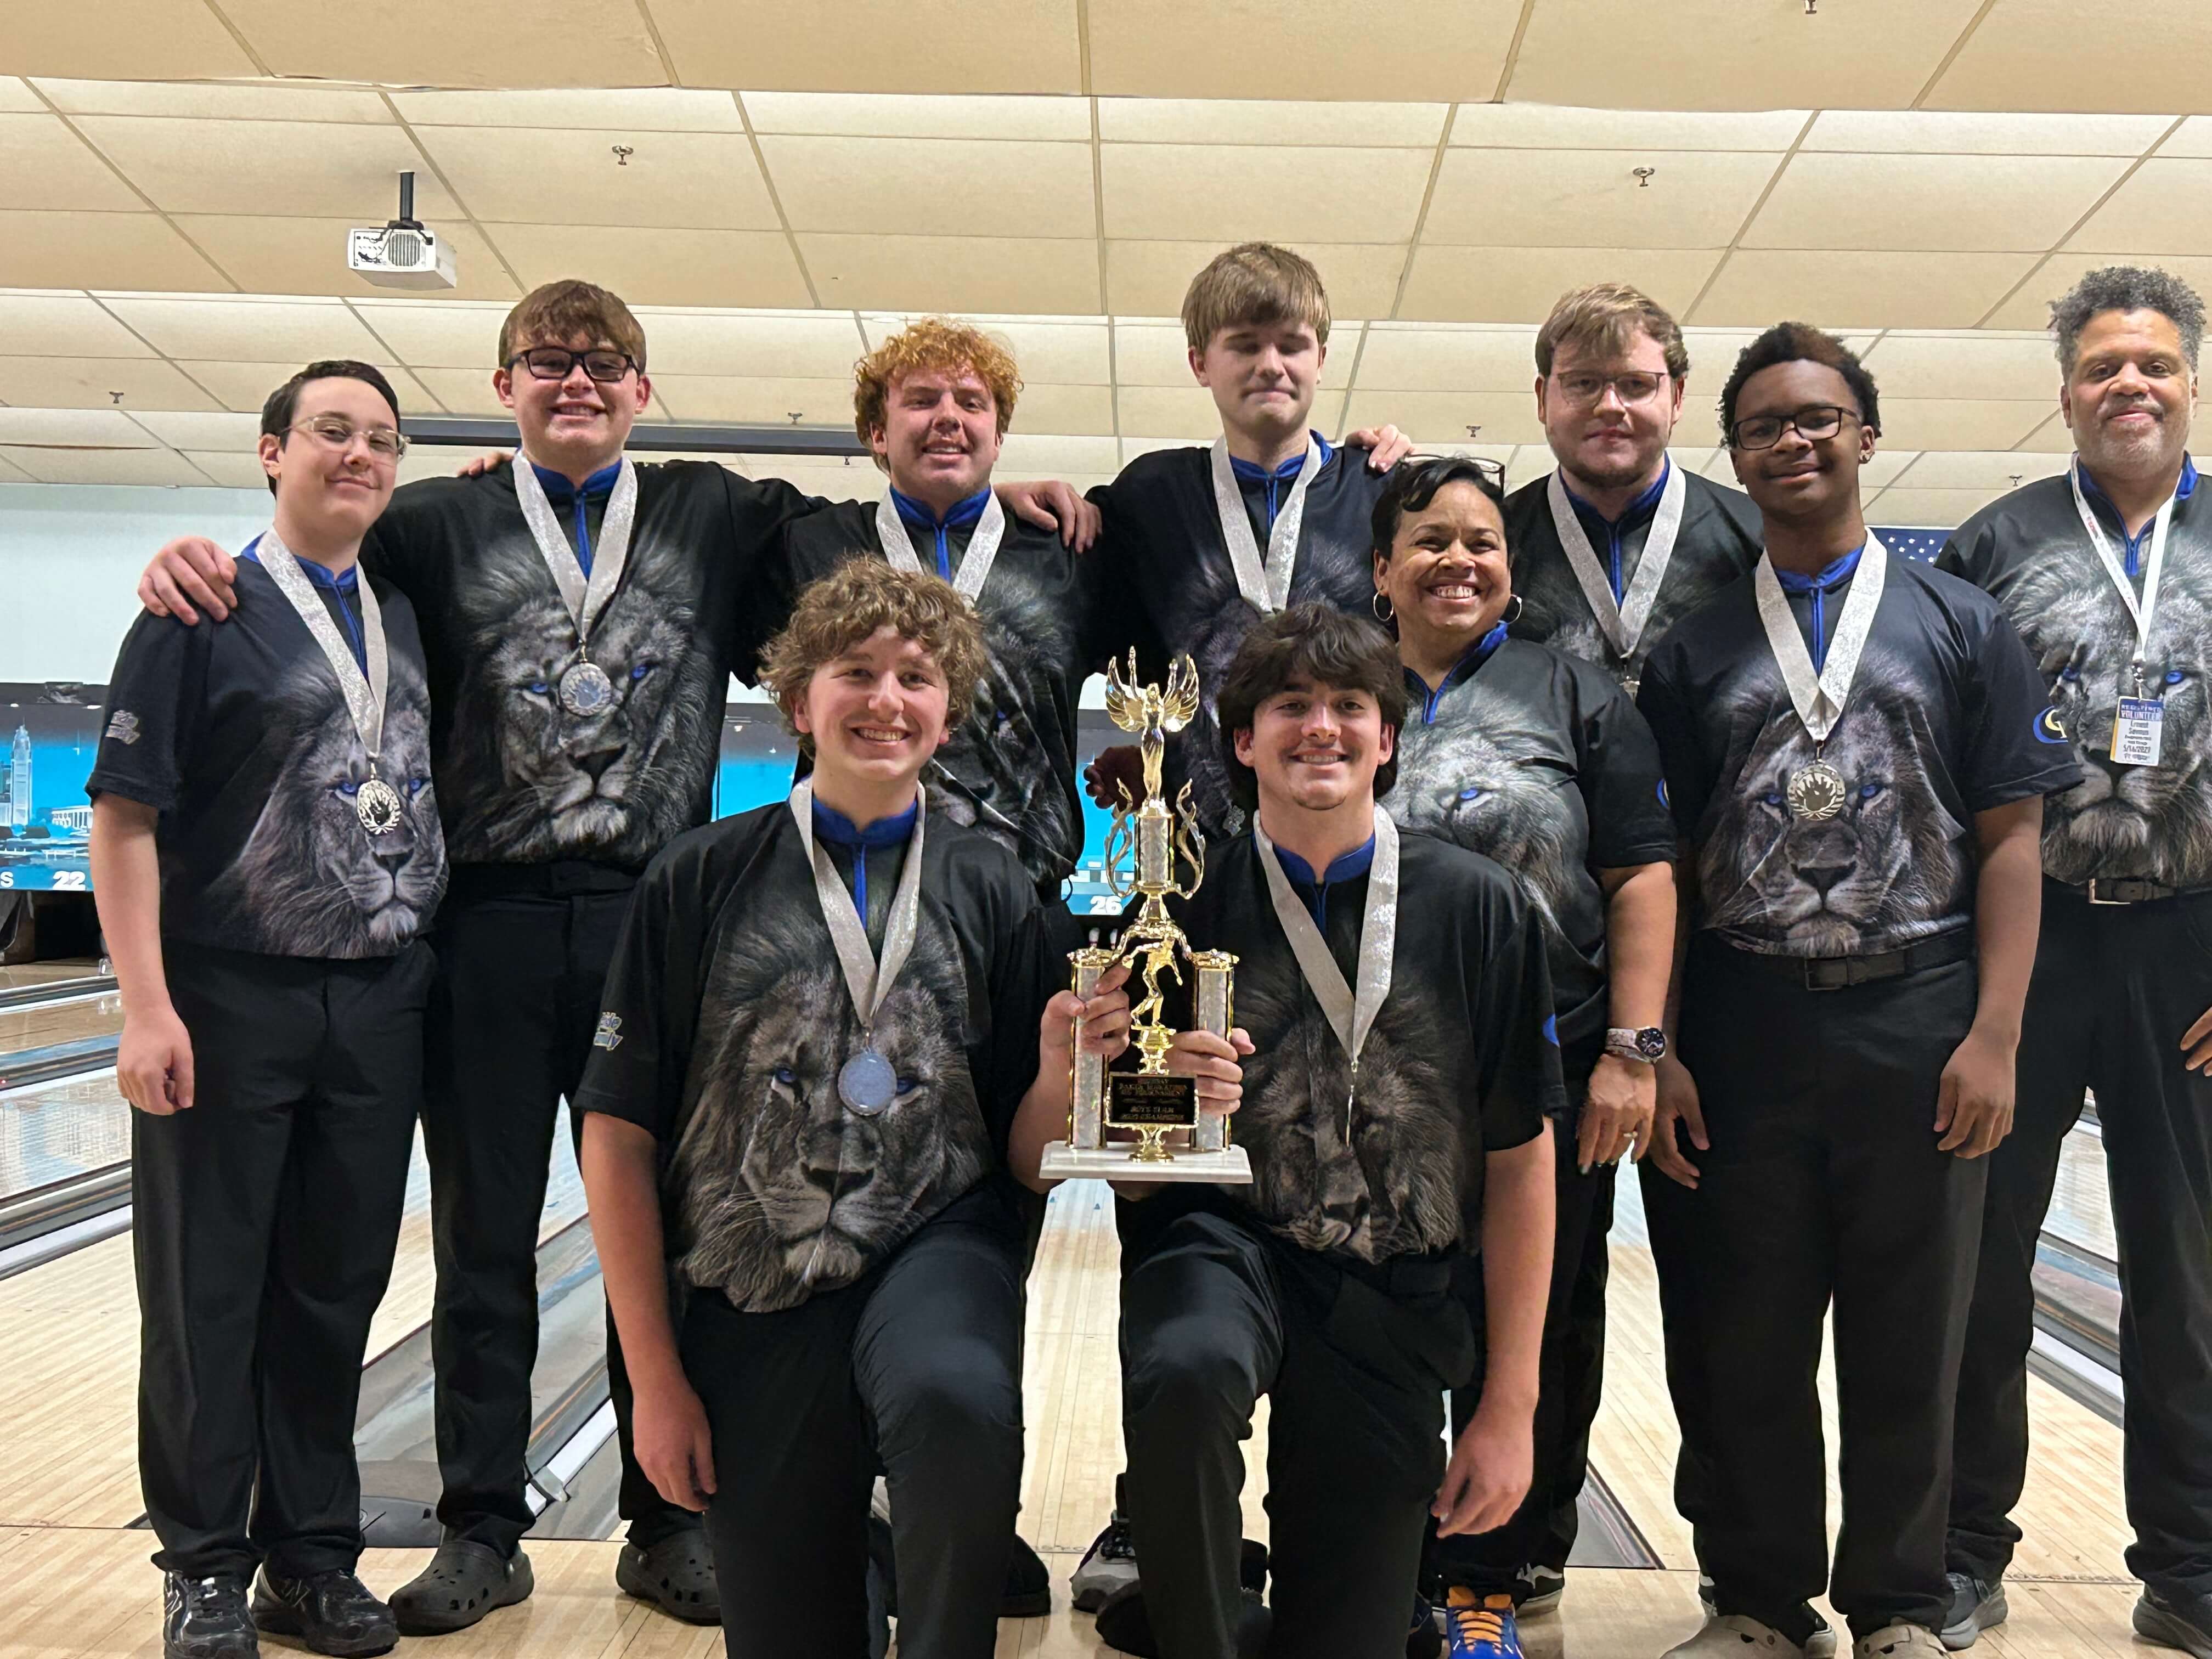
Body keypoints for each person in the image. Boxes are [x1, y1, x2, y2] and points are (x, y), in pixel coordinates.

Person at [126, 281, 1093, 1631]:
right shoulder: (434, 521)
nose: (576, 383)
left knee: (686, 1212)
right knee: (484, 1235)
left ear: (644, 391)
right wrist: (200, 560)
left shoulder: (721, 511)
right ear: (507, 387)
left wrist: (1006, 484)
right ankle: (479, 1527)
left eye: (605, 365)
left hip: (660, 906)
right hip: (490, 921)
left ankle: (669, 1516)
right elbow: (311, 557)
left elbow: (889, 532)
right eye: (546, 364)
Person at [574, 558, 1125, 1658]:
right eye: (855, 672)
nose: (886, 699)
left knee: (954, 1396)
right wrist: (655, 1381)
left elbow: (1023, 1160)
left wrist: (1066, 1077)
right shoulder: (700, 877)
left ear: (949, 711)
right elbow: (619, 1136)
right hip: (750, 1277)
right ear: (798, 701)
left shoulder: (991, 886)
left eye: (916, 677)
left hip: (937, 1240)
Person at [1635, 325, 2076, 1659]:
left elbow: (2010, 836)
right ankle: (1762, 1601)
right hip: (1747, 1013)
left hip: (1920, 1004)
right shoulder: (1696, 646)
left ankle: (1897, 1603)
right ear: (1738, 458)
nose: (1794, 440)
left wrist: (1995, 1031)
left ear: (1867, 436)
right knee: (1745, 1329)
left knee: (1911, 1327)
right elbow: (1662, 861)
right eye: (1765, 424)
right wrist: (1662, 1045)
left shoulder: (1964, 622)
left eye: (1819, 417)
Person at [1017, 603, 1562, 1659]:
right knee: (1183, 1366)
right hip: (1225, 1245)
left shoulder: (1482, 905)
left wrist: (1508, 1403)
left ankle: (1248, 1616)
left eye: (1349, 705)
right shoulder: (1177, 901)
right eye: (1289, 706)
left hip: (1395, 1283)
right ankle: (1199, 1620)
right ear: (1240, 741)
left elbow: (1520, 1155)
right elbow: (1129, 1177)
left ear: (1388, 736)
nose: (1321, 727)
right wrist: (1157, 1098)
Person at [89, 362, 447, 1659]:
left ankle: (310, 1556)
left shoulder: (402, 614)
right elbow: (123, 820)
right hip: (230, 994)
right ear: (270, 451)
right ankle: (199, 1564)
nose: (359, 455)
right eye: (333, 433)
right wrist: (144, 1008)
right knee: (207, 1295)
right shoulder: (194, 612)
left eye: (383, 441)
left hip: (380, 996)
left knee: (334, 1291)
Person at [1937, 266, 2212, 1659]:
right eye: (2105, 366)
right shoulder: (1992, 547)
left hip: (2194, 950)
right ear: (2065, 392)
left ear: (2190, 381)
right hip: (2030, 948)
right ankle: (1961, 1554)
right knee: (1981, 1267)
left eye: (2154, 365)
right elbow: (1938, 766)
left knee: (2187, 1270)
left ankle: (2193, 1568)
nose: (2130, 386)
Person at [1369, 455, 1677, 1657]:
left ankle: (1499, 1565)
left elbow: (1641, 875)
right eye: (1431, 541)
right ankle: (1382, 1552)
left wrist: (1633, 1053)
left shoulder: (1579, 694)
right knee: (1384, 1309)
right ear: (1383, 570)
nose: (1460, 560)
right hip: (1370, 1069)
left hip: (1542, 1066)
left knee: (1536, 1319)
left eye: (1484, 542)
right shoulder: (1343, 684)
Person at [772, 317, 1141, 940]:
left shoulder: (1068, 553)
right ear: (876, 433)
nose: (948, 416)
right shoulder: (807, 544)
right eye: (920, 400)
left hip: (1027, 899)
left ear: (998, 437)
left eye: (971, 403)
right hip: (849, 895)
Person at [1083, 242, 1410, 847]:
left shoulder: (1381, 494)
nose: (1270, 364)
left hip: (1356, 830)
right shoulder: (1148, 499)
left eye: (1291, 345)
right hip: (1194, 847)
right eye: (1244, 345)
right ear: (1200, 362)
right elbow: (1102, 653)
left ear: (1322, 359)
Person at [1504, 284, 1762, 693]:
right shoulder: (1492, 546)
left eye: (1637, 384)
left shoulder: (1757, 540)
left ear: (1677, 397)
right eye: (1583, 383)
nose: (1609, 405)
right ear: (1542, 398)